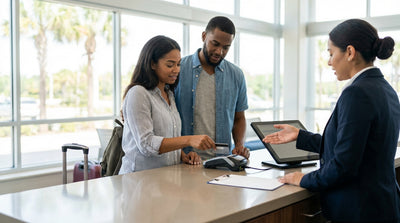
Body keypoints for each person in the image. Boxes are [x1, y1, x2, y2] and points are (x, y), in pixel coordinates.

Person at [263, 19, 400, 222]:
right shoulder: (386, 89)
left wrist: (303, 179)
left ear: (350, 52)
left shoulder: (356, 93)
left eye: (330, 53)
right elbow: (354, 146)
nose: (329, 61)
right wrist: (300, 136)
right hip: (382, 206)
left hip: (360, 212)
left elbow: (343, 166)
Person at [119, 35, 216, 174]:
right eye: (170, 65)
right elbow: (146, 144)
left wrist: (183, 155)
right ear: (152, 64)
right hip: (139, 181)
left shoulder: (169, 93)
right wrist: (189, 140)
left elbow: (167, 136)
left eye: (178, 64)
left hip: (165, 180)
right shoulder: (138, 93)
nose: (176, 70)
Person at [175, 16, 250, 160]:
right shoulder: (179, 69)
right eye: (214, 44)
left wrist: (239, 144)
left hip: (221, 162)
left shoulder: (236, 75)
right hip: (184, 160)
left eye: (226, 47)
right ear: (204, 36)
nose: (219, 52)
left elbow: (239, 118)